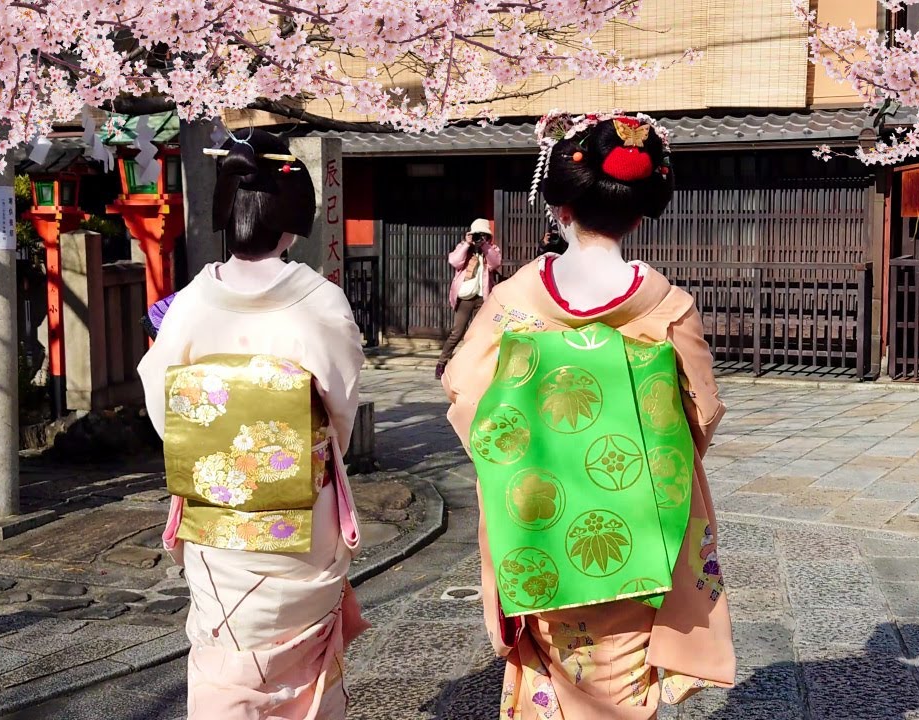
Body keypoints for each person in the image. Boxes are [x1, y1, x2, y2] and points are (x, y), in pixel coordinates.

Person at [441, 113, 735, 719]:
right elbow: (701, 412)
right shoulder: (668, 305)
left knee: (552, 669)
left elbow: (462, 391)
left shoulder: (515, 298)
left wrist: (521, 454)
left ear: (562, 206)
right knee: (621, 682)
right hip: (637, 516)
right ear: (640, 210)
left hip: (537, 514)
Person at [137, 129, 368, 720]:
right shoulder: (319, 301)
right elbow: (340, 410)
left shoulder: (190, 303)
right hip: (302, 509)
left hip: (218, 514)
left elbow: (163, 404)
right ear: (294, 218)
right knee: (301, 663)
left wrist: (214, 454)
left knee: (225, 651)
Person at [436, 218, 501, 379]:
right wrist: (467, 243)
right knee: (457, 332)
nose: (480, 238)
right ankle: (442, 362)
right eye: (477, 235)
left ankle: (477, 364)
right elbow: (454, 261)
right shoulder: (464, 249)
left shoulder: (491, 249)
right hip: (465, 297)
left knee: (481, 332)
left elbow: (495, 263)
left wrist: (485, 246)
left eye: (483, 235)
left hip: (483, 297)